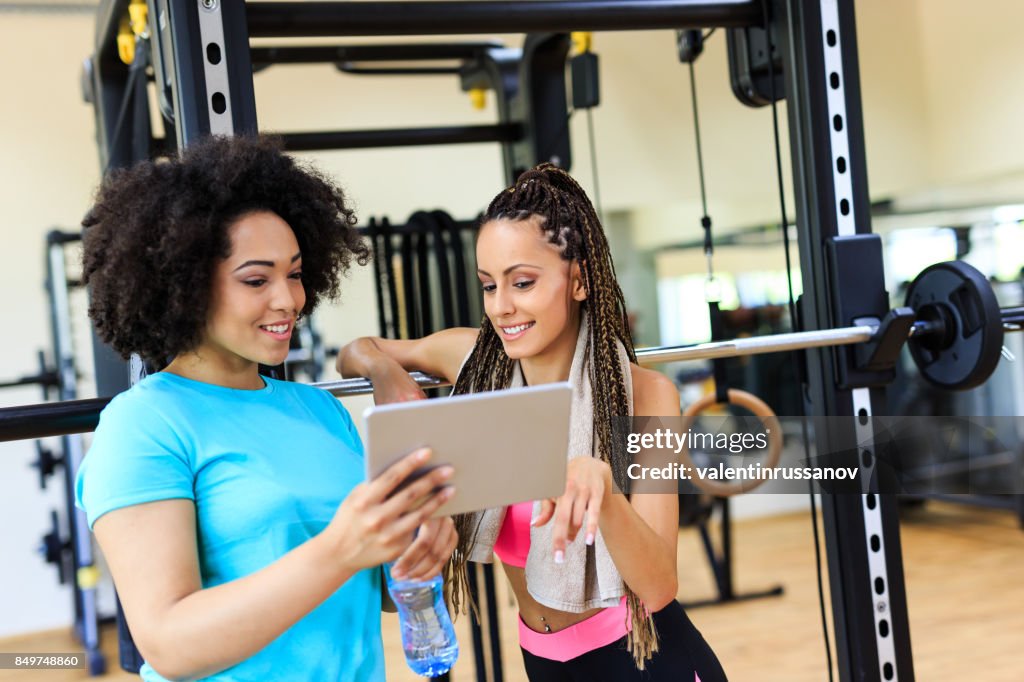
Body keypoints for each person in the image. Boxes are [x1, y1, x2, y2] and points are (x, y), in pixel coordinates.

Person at [75, 135, 457, 681]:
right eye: (257, 279)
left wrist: (408, 558)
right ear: (185, 285)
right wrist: (342, 549)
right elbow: (167, 643)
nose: (288, 300)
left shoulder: (318, 411)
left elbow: (368, 593)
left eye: (295, 274)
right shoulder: (142, 426)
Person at [338, 164, 726, 680]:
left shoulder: (647, 396)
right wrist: (384, 372)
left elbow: (658, 587)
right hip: (543, 662)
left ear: (580, 279)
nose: (502, 307)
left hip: (642, 658)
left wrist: (604, 493)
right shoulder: (472, 362)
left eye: (522, 282)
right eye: (488, 285)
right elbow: (355, 351)